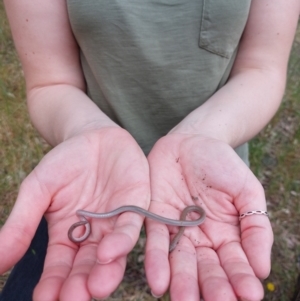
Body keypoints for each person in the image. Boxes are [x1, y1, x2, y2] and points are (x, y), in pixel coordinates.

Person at [0, 0, 299, 300]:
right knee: (50, 277)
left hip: (204, 179)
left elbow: (262, 68)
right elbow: (51, 81)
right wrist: (87, 130)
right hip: (90, 177)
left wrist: (203, 135)